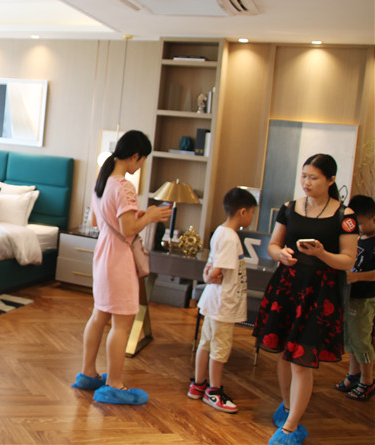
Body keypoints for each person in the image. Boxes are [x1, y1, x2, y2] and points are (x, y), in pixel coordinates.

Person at [253, 153, 358, 445]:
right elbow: (273, 245)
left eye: (313, 178)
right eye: (304, 176)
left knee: (301, 360)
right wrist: (281, 254)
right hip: (287, 287)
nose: (306, 182)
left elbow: (348, 260)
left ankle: (290, 428)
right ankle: (288, 409)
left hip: (320, 293)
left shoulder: (345, 216)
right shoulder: (289, 208)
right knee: (284, 352)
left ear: (331, 180)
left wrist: (322, 253)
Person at [72, 130, 172, 405]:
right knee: (122, 323)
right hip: (119, 259)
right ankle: (114, 384)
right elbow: (128, 229)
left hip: (103, 255)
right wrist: (150, 216)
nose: (141, 165)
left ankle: (88, 373)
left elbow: (96, 221)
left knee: (99, 316)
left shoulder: (102, 182)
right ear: (135, 156)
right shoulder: (124, 186)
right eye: (142, 160)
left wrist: (138, 216)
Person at [187, 187, 258, 413]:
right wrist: (210, 277)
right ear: (243, 212)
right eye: (252, 213)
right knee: (220, 348)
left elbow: (210, 267)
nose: (252, 217)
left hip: (214, 302)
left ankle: (198, 385)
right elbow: (216, 270)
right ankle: (214, 391)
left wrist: (208, 276)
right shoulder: (230, 237)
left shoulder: (220, 231)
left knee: (206, 343)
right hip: (223, 304)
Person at [335, 194, 375, 401]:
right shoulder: (358, 239)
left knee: (361, 340)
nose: (357, 228)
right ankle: (353, 375)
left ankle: (367, 381)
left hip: (366, 299)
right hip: (350, 295)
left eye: (360, 224)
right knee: (350, 338)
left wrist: (357, 277)